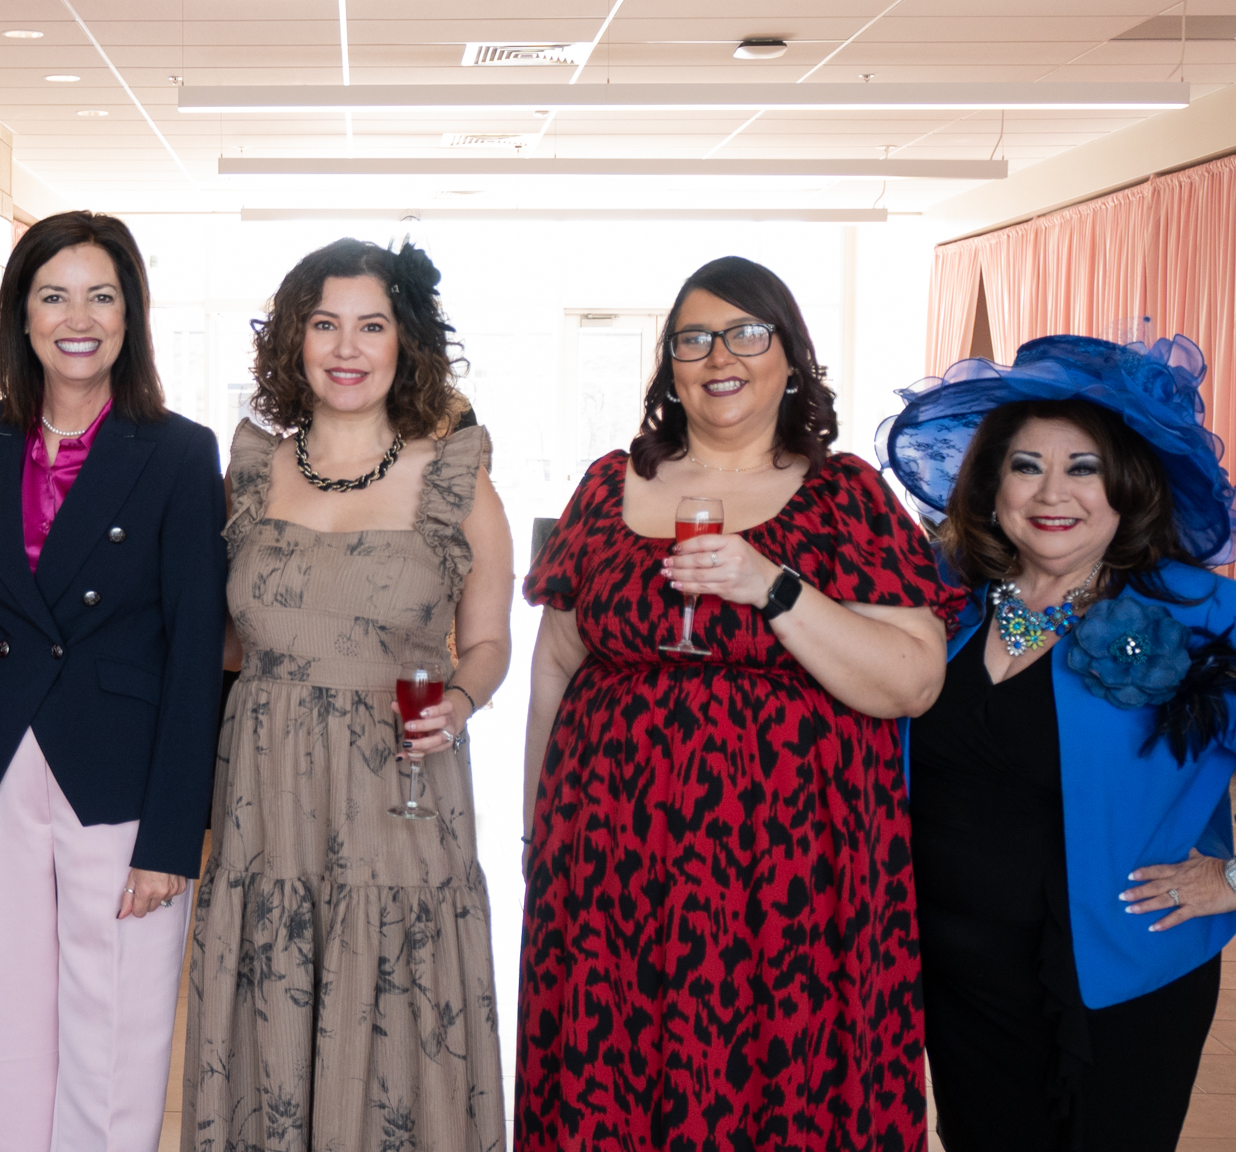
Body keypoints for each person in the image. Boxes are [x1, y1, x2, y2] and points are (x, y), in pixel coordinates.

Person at [514, 255, 961, 1148]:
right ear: (670, 368)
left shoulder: (847, 496)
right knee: (614, 1077)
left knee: (779, 1083)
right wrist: (538, 836)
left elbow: (913, 681)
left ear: (790, 356)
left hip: (797, 876)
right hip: (611, 866)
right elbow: (555, 669)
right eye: (694, 339)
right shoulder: (607, 486)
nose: (719, 355)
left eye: (746, 333)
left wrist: (774, 588)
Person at [0, 210, 226, 1152]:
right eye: (54, 296)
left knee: (116, 1037)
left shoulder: (178, 451)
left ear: (131, 316)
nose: (77, 318)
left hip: (118, 777)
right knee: (11, 1030)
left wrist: (173, 838)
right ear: (23, 314)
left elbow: (195, 651)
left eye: (101, 296)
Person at [180, 238, 513, 1149]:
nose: (347, 347)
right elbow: (220, 636)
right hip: (268, 792)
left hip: (401, 788)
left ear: (406, 342)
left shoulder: (455, 478)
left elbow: (488, 642)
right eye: (325, 324)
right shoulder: (250, 473)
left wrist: (462, 701)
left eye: (372, 325)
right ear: (295, 340)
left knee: (401, 1001)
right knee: (275, 994)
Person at [884, 334, 1236, 1150]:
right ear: (992, 485)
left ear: (1129, 485)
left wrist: (1230, 877)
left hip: (1120, 983)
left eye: (1083, 468)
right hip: (958, 983)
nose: (1052, 493)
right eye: (1026, 466)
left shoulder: (1201, 614)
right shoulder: (944, 603)